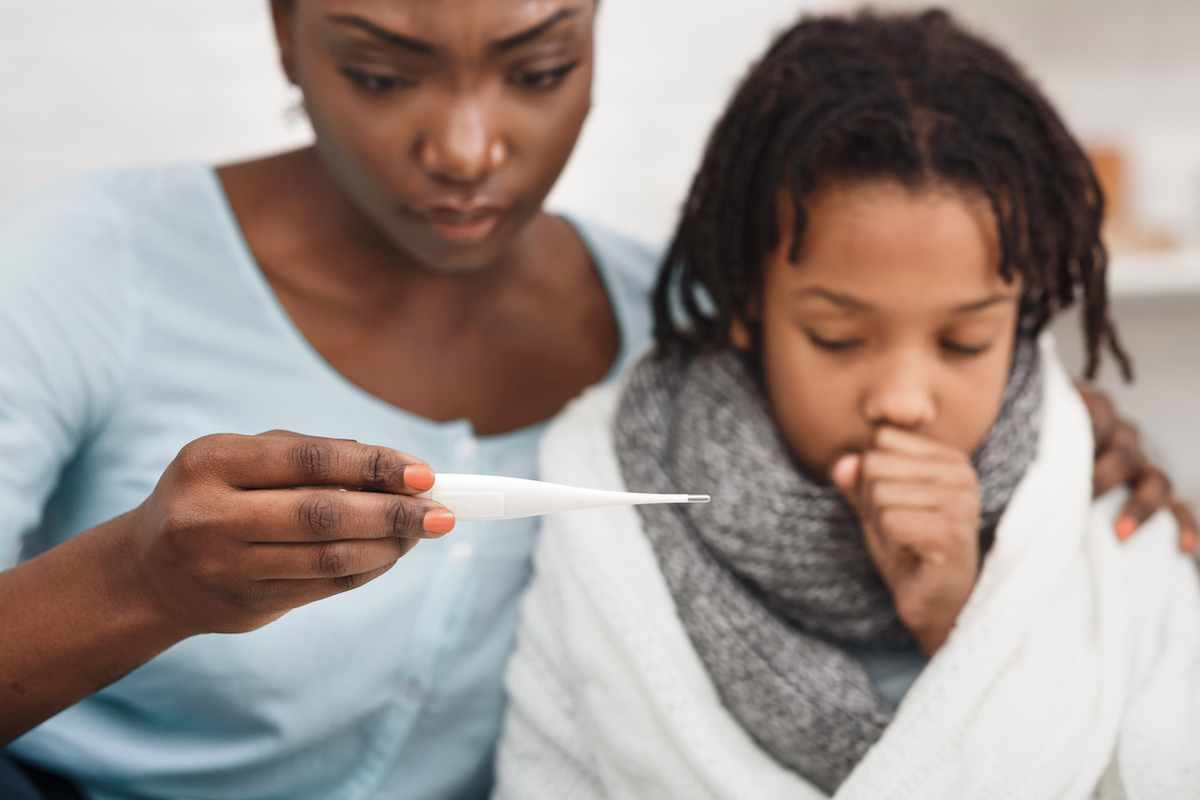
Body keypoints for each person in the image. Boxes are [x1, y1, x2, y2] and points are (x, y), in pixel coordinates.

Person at [0, 1, 1190, 799]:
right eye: (380, 71)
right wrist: (137, 584)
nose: (468, 146)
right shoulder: (78, 267)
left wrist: (1056, 456)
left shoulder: (671, 331)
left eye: (539, 69)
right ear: (280, 30)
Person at [492, 10, 1200, 799]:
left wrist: (964, 622)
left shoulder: (1101, 503)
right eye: (836, 336)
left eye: (964, 343)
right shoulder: (607, 495)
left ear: (1022, 317)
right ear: (744, 303)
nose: (903, 402)